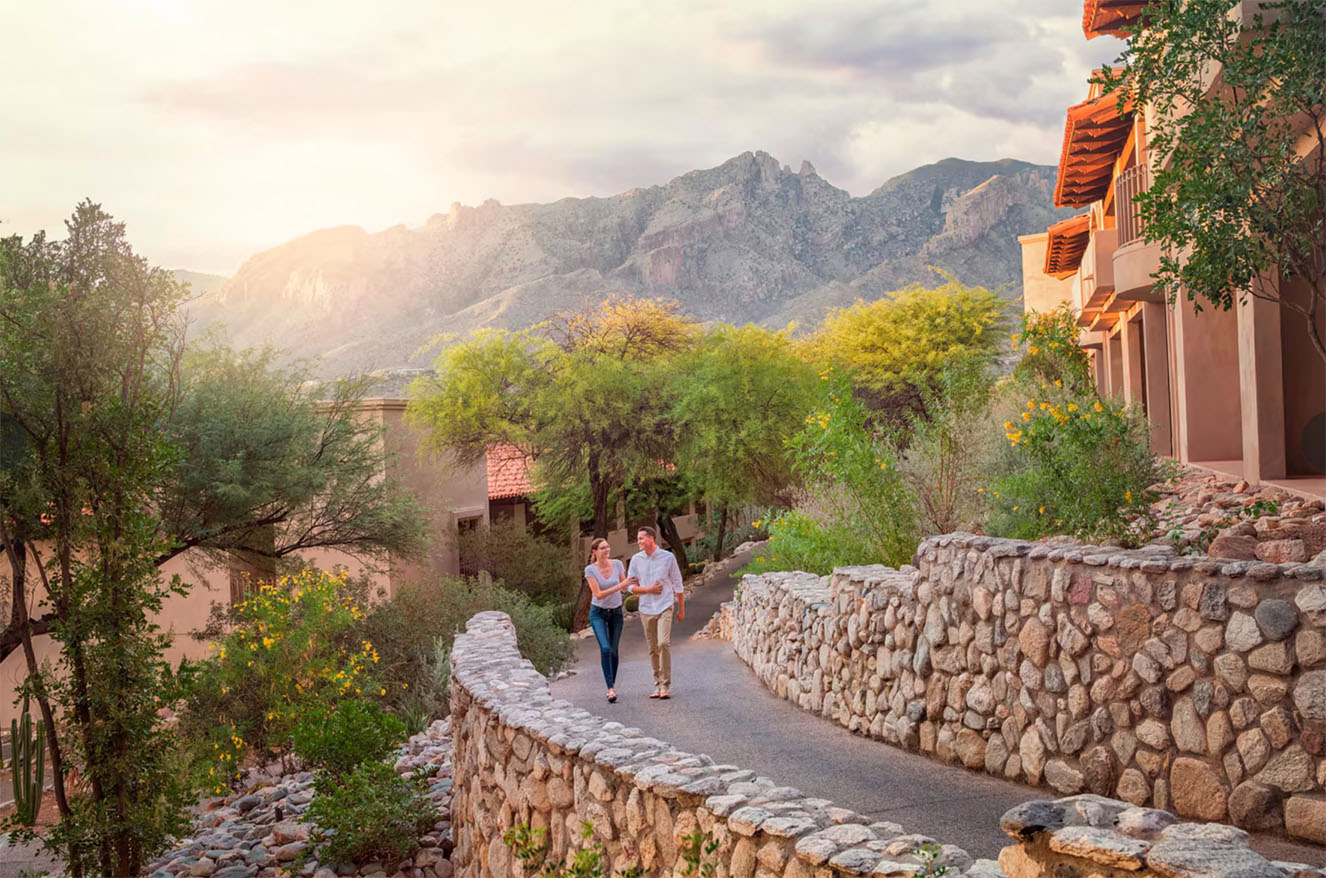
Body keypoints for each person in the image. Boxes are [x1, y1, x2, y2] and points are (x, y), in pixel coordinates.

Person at [626, 525, 685, 699]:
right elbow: (630, 586)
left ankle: (665, 685)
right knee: (652, 648)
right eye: (638, 539)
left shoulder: (668, 558)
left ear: (651, 538)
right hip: (646, 608)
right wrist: (648, 590)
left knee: (663, 643)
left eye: (641, 538)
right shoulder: (636, 560)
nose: (638, 542)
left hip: (665, 605)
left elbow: (677, 583)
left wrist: (681, 609)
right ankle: (657, 684)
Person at [584, 538, 633, 703]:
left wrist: (631, 582)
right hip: (598, 612)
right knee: (605, 648)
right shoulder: (590, 570)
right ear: (595, 552)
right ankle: (610, 689)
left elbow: (625, 587)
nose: (606, 550)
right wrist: (621, 586)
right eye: (602, 548)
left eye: (608, 547)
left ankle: (611, 685)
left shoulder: (618, 564)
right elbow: (598, 594)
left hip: (616, 613)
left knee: (613, 650)